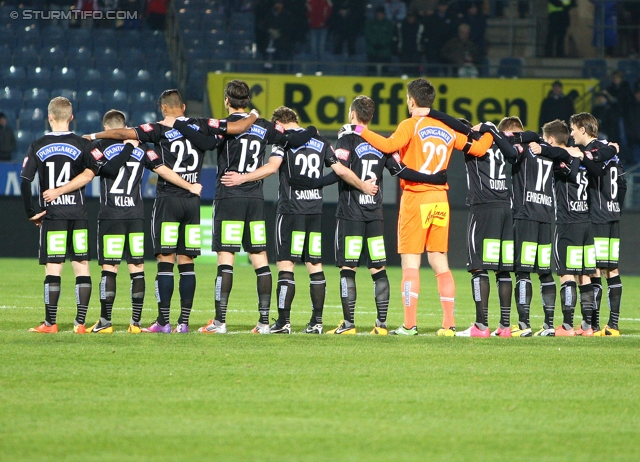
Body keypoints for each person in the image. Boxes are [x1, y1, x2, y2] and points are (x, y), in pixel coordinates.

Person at [86, 90, 257, 333]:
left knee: (165, 262)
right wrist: (253, 114)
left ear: (163, 108)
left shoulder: (157, 128)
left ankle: (163, 322)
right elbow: (237, 127)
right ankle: (184, 323)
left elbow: (122, 133)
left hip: (168, 200)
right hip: (192, 202)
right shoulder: (201, 125)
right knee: (186, 263)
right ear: (184, 107)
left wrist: (93, 135)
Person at [167, 80, 316, 334]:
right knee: (260, 258)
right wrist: (312, 129)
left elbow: (204, 141)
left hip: (228, 197)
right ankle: (264, 322)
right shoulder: (264, 127)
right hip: (255, 200)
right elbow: (296, 136)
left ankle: (220, 321)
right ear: (247, 101)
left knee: (226, 259)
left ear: (227, 100)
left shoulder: (225, 126)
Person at [353, 79, 494, 336]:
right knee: (440, 261)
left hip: (415, 197)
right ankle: (449, 325)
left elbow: (387, 146)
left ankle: (409, 325)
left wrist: (359, 130)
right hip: (440, 199)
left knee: (410, 263)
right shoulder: (447, 129)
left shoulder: (410, 125)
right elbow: (481, 148)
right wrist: (488, 130)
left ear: (412, 101)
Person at [41, 110, 203, 334]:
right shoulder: (142, 147)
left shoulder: (99, 147)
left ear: (107, 128)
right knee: (137, 268)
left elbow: (98, 170)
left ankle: (106, 322)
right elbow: (162, 169)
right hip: (136, 215)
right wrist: (189, 185)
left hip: (111, 215)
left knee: (110, 268)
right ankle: (135, 323)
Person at [220, 105, 377, 334]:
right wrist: (364, 185)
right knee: (315, 266)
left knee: (286, 265)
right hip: (314, 211)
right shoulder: (320, 141)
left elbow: (272, 168)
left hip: (291, 211)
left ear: (280, 123)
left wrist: (242, 178)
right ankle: (317, 322)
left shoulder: (283, 140)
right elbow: (341, 171)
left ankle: (283, 322)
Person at [304, 96, 447, 335]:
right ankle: (381, 325)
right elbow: (401, 170)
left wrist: (314, 183)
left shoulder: (347, 138)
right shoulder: (382, 142)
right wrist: (432, 178)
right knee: (378, 268)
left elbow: (340, 171)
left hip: (351, 214)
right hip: (375, 215)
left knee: (347, 268)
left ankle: (348, 324)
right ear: (370, 117)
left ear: (352, 114)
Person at [19, 97, 97, 334]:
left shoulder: (37, 145)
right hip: (79, 214)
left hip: (53, 216)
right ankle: (80, 323)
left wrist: (32, 212)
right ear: (71, 117)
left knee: (53, 268)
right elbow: (91, 173)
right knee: (81, 267)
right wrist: (67, 190)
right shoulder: (82, 144)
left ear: (49, 116)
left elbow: (25, 180)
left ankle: (50, 323)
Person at [456, 119, 538, 337]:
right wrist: (492, 130)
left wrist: (478, 128)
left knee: (478, 267)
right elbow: (532, 135)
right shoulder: (505, 144)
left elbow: (457, 126)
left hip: (482, 209)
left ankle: (481, 325)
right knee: (502, 269)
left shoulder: (473, 140)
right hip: (505, 208)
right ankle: (504, 326)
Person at [500, 116, 578, 337]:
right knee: (545, 274)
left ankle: (524, 325)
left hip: (525, 216)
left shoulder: (524, 148)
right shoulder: (547, 152)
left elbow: (509, 150)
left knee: (522, 272)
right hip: (546, 216)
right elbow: (568, 166)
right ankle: (549, 325)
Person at [542, 120, 600, 336]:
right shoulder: (583, 157)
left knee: (566, 274)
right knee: (585, 274)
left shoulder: (562, 160)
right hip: (586, 222)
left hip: (567, 223)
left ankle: (566, 325)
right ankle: (587, 326)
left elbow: (564, 168)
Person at [570, 112, 625, 336]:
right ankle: (612, 325)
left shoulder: (591, 153)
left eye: (573, 129)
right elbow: (622, 184)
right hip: (612, 215)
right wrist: (616, 208)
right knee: (611, 270)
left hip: (597, 216)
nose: (572, 133)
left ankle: (592, 324)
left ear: (583, 130)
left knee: (593, 271)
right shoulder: (610, 152)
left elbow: (593, 171)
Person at [364, 6, 395, 75]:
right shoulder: (370, 23)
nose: (380, 15)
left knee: (385, 70)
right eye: (378, 13)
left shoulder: (389, 24)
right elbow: (368, 34)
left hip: (385, 51)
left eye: (381, 13)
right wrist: (374, 43)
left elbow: (390, 36)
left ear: (384, 14)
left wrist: (382, 44)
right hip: (372, 50)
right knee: (371, 70)